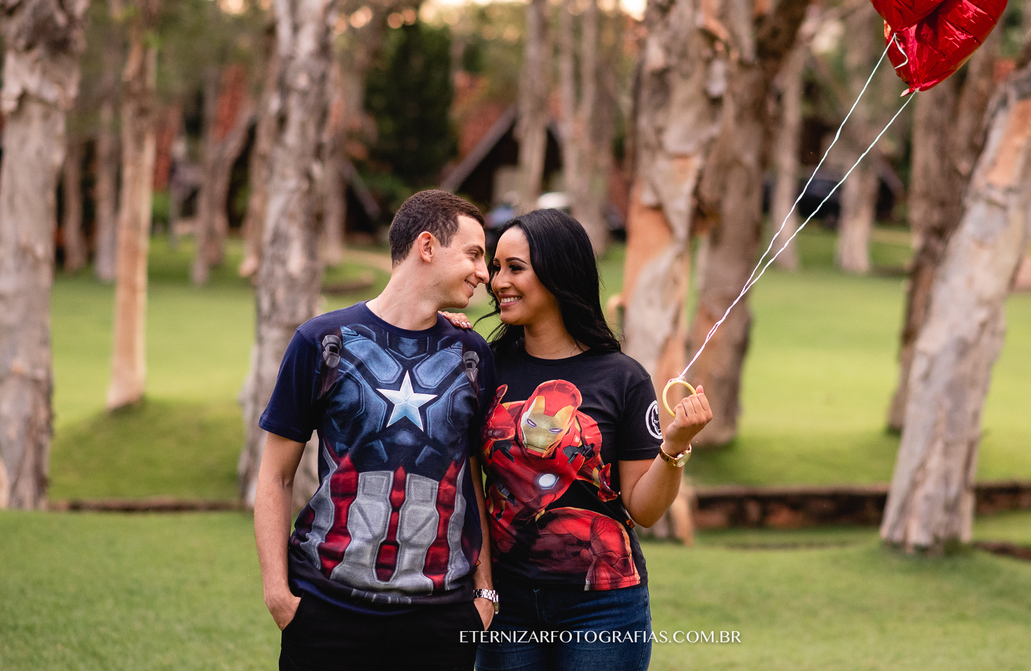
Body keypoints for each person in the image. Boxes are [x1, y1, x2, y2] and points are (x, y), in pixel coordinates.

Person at [455, 208, 713, 671]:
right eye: (496, 268)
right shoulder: (484, 366)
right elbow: (469, 484)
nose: (497, 282)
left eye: (515, 268)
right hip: (506, 604)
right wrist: (484, 586)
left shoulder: (623, 378)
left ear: (558, 273)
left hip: (604, 606)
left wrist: (673, 447)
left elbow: (644, 510)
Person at [254, 190, 499, 671]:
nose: (484, 273)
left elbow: (473, 477)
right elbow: (275, 475)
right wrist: (279, 595)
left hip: (442, 617)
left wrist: (484, 594)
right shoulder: (323, 342)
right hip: (327, 609)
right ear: (427, 247)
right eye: (473, 254)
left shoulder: (472, 356)